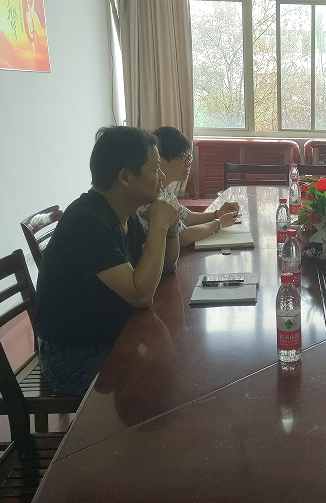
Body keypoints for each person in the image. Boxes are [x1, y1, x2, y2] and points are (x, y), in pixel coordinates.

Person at [36, 126, 180, 396]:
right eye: (155, 169)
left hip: (112, 335)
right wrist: (158, 226)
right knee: (157, 388)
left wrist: (170, 229)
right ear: (126, 177)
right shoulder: (86, 221)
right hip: (73, 357)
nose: (162, 177)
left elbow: (168, 266)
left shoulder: (125, 213)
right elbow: (141, 296)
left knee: (176, 363)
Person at [138, 126, 240, 247]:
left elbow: (185, 217)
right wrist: (219, 223)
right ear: (160, 159)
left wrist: (217, 214)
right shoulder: (147, 195)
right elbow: (182, 237)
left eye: (189, 157)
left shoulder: (165, 189)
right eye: (183, 157)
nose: (188, 164)